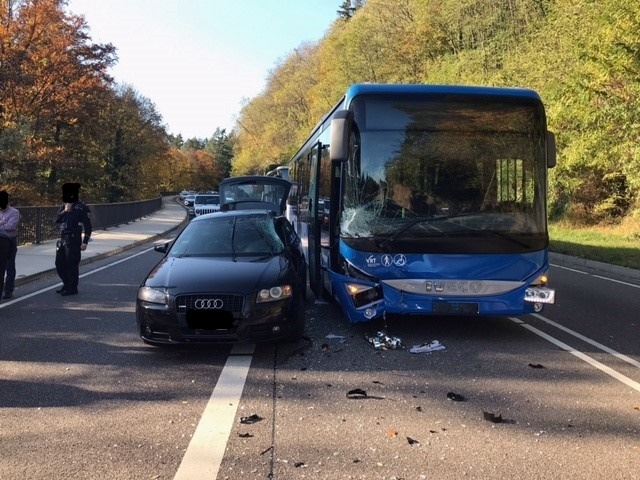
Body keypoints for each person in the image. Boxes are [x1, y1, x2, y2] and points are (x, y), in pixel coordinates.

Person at [54, 183, 92, 296]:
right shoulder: (64, 206)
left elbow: (88, 226)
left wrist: (85, 242)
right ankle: (66, 283)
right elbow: (56, 220)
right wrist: (65, 211)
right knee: (59, 264)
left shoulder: (82, 208)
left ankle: (72, 287)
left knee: (71, 264)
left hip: (74, 238)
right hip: (63, 238)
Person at [0, 190, 20, 299]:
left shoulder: (14, 212)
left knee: (9, 265)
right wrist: (2, 223)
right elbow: (6, 226)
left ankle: (8, 289)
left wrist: (2, 225)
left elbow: (11, 226)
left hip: (9, 241)